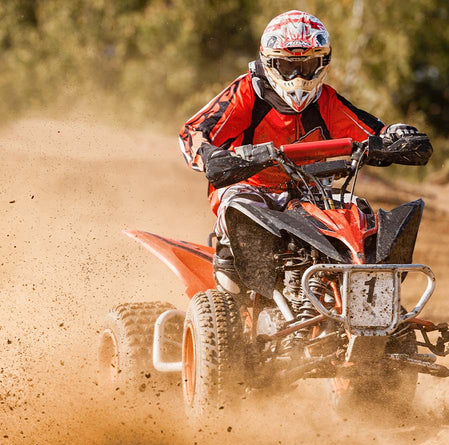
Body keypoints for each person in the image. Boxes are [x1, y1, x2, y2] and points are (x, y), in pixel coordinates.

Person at [179, 10, 425, 293]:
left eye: (307, 66)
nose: (297, 77)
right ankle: (229, 304)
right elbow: (193, 132)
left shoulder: (327, 101)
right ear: (269, 63)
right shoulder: (247, 92)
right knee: (240, 210)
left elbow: (372, 132)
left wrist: (397, 138)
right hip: (249, 185)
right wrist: (211, 155)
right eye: (287, 67)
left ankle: (372, 298)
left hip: (311, 191)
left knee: (358, 214)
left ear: (323, 63)